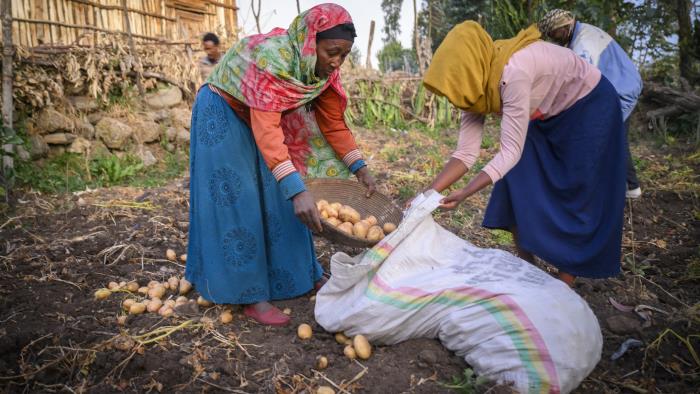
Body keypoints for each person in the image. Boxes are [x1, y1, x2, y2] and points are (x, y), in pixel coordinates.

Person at [186, 4, 376, 326]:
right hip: (222, 108)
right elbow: (268, 130)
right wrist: (295, 189)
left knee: (284, 195)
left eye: (344, 55)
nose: (336, 61)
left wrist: (361, 169)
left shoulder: (322, 72)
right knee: (241, 197)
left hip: (259, 116)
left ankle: (301, 275)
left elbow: (333, 124)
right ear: (309, 42)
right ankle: (250, 295)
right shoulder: (273, 59)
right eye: (332, 52)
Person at [420, 21, 626, 286]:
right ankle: (529, 270)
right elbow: (466, 153)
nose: (456, 98)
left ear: (470, 68)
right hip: (546, 110)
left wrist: (465, 193)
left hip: (589, 105)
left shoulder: (513, 72)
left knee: (578, 192)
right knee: (514, 183)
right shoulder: (474, 86)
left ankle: (564, 286)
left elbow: (510, 152)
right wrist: (427, 194)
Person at [538, 9, 643, 199]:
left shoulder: (582, 45)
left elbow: (581, 86)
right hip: (619, 82)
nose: (553, 39)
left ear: (564, 27)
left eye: (553, 34)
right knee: (612, 135)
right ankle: (627, 186)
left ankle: (625, 187)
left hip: (622, 89)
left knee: (607, 136)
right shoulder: (583, 31)